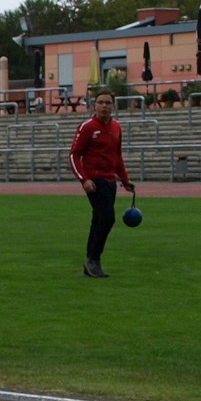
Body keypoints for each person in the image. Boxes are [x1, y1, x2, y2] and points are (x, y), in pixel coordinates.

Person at [69, 92, 135, 277]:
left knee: (98, 219)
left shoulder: (116, 127)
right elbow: (74, 155)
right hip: (94, 181)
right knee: (107, 218)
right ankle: (93, 259)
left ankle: (90, 261)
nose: (104, 106)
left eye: (107, 103)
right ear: (94, 106)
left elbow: (117, 157)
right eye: (100, 102)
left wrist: (125, 180)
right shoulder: (87, 127)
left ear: (113, 106)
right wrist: (84, 179)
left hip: (110, 181)